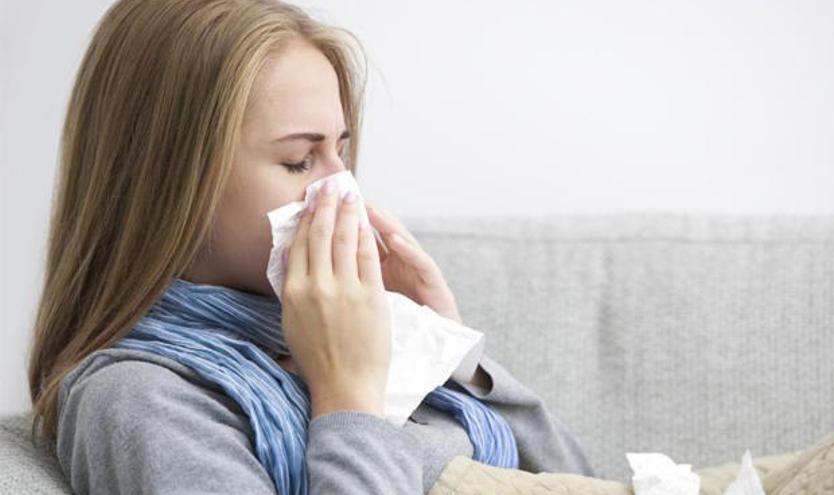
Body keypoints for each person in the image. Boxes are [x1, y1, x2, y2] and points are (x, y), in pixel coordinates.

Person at [27, 0, 596, 493]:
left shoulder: (340, 335)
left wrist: (449, 353)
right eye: (299, 160)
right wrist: (347, 398)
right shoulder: (142, 398)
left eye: (340, 154)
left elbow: (578, 480)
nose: (340, 189)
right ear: (170, 183)